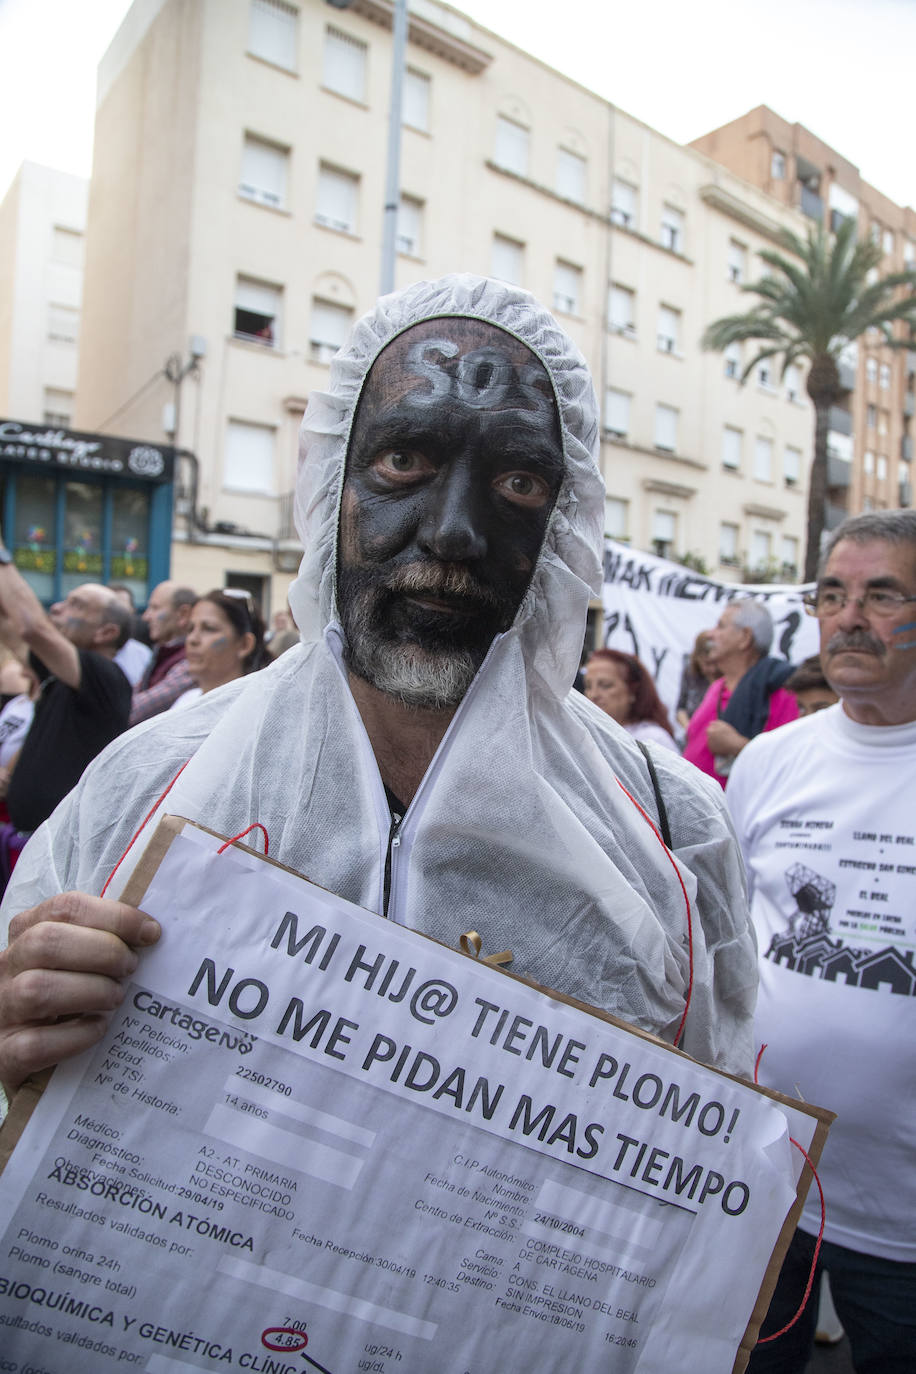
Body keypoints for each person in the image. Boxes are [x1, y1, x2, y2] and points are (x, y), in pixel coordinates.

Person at [0, 275, 757, 1109]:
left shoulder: (675, 832)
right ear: (330, 489)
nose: (453, 532)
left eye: (518, 485)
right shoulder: (145, 786)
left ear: (563, 526)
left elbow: (707, 1172)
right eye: (404, 461)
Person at [727, 510, 916, 1374]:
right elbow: (724, 942)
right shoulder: (770, 761)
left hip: (905, 1226)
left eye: (883, 596)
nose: (848, 617)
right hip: (765, 1193)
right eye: (832, 594)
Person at [0, 573, 131, 840]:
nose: (57, 607)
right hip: (27, 839)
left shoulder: (106, 676)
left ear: (106, 633)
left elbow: (31, 628)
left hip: (59, 850)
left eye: (76, 605)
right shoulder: (59, 675)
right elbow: (8, 626)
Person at [683, 598, 798, 785]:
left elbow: (790, 765)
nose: (710, 635)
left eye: (720, 626)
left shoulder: (782, 693)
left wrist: (739, 746)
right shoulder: (717, 687)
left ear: (745, 637)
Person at [170, 588, 267, 707]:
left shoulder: (255, 708)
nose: (192, 639)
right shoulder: (186, 700)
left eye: (209, 628)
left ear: (244, 645)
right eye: (190, 629)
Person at [128, 579, 196, 723]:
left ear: (183, 614)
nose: (146, 617)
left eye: (155, 608)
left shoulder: (192, 660)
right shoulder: (163, 651)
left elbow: (134, 710)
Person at [584, 648, 678, 751]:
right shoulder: (583, 735)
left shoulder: (653, 739)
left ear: (632, 691)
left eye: (606, 685)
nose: (593, 694)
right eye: (588, 686)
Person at [109, 583, 153, 688]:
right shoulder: (85, 652)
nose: (115, 614)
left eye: (121, 608)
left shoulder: (143, 654)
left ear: (132, 611)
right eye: (110, 608)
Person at [675, 630, 718, 736]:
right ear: (697, 658)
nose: (712, 669)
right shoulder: (690, 673)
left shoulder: (724, 676)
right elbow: (680, 708)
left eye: (714, 663)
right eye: (707, 663)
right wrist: (689, 728)